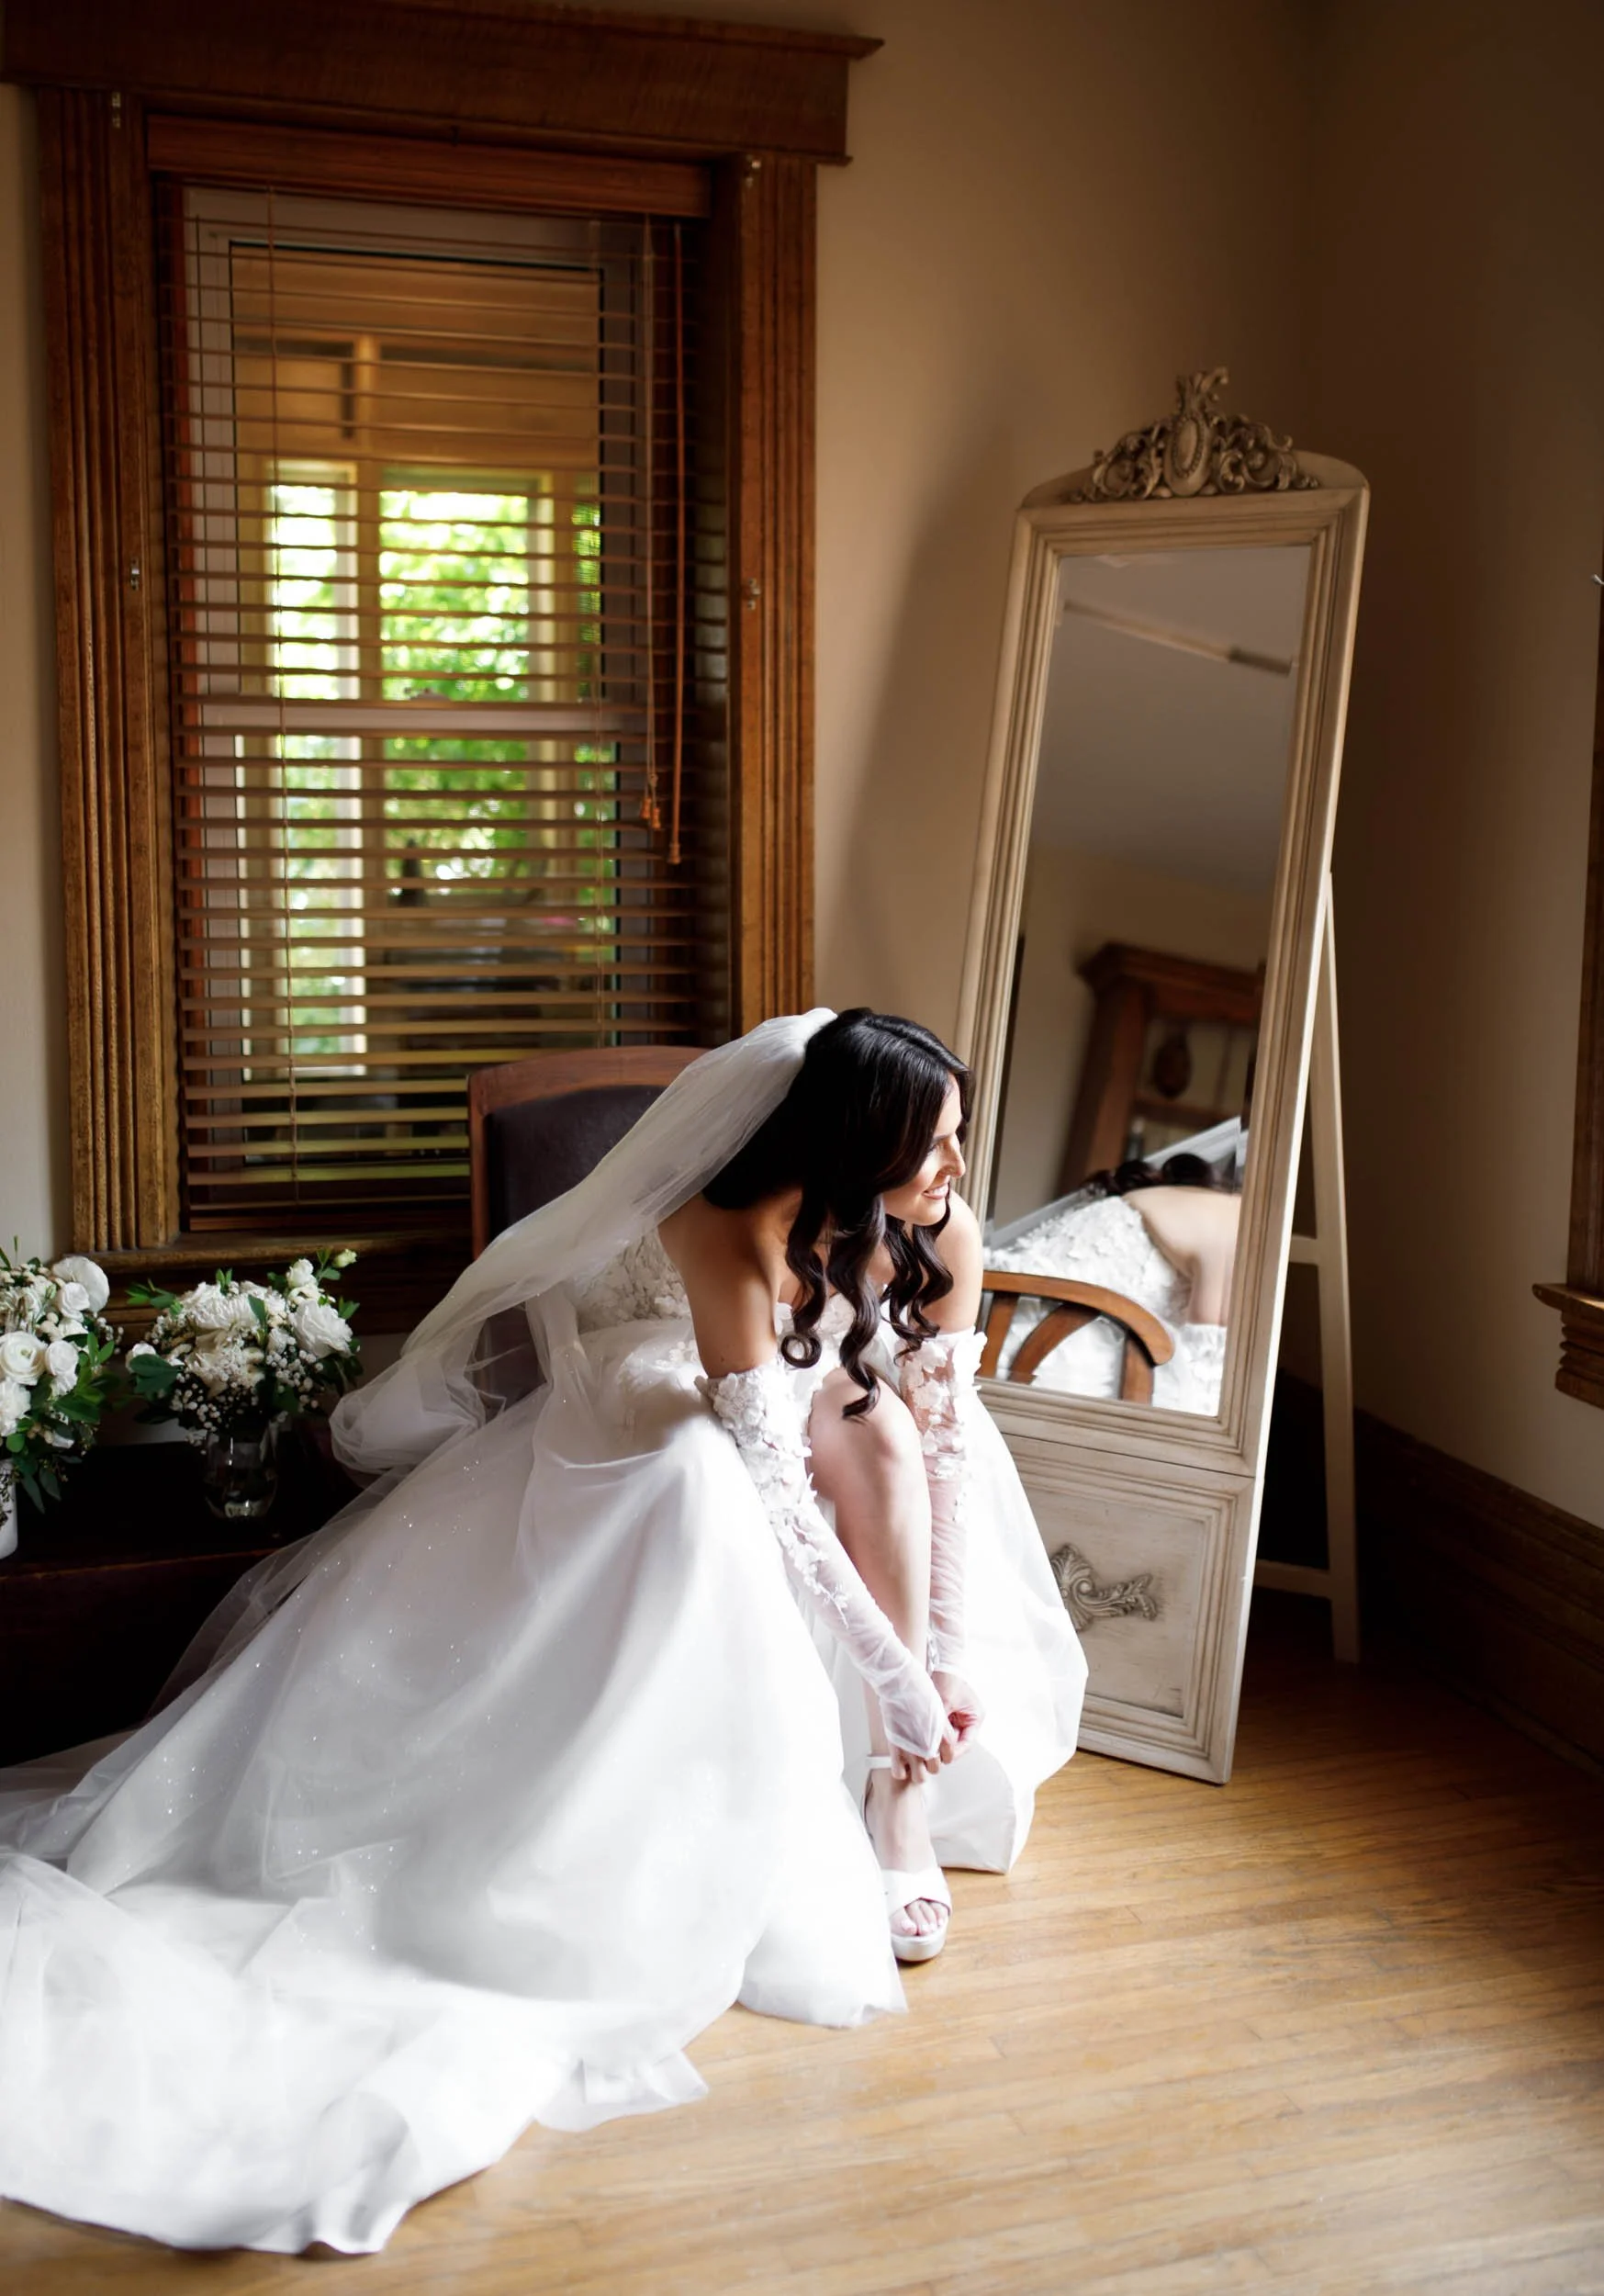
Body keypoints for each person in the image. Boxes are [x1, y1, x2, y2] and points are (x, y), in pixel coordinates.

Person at [0, 1009, 1084, 2256]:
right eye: (936, 1141)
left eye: (959, 1136)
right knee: (698, 1495)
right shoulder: (728, 1225)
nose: (958, 1164)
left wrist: (936, 1664)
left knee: (889, 1438)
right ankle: (730, 1771)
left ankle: (898, 1795)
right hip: (689, 1384)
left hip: (825, 1382)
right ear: (855, 1139)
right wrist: (891, 1679)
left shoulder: (940, 1221)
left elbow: (944, 1444)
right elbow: (775, 1490)